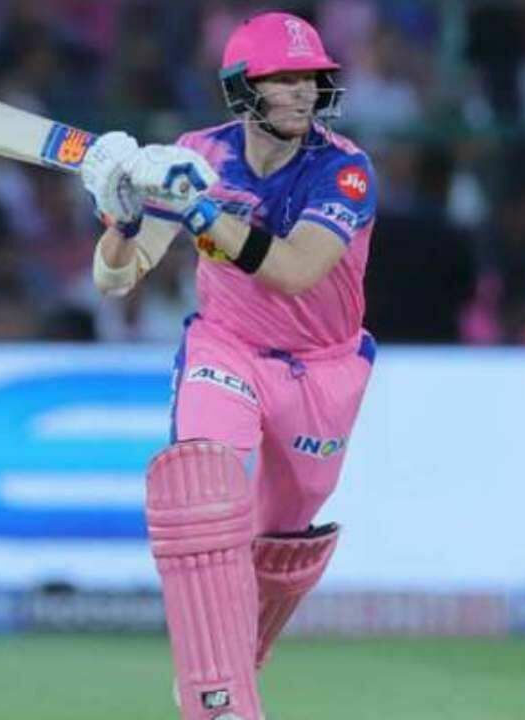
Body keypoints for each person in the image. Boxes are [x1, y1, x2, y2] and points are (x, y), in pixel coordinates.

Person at [79, 12, 378, 720]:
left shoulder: (345, 169)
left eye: (312, 79)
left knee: (282, 546)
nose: (303, 93)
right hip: (227, 346)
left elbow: (297, 271)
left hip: (322, 369)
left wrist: (203, 214)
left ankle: (235, 665)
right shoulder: (196, 155)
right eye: (284, 79)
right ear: (244, 89)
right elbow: (116, 278)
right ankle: (215, 698)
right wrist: (123, 219)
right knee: (203, 488)